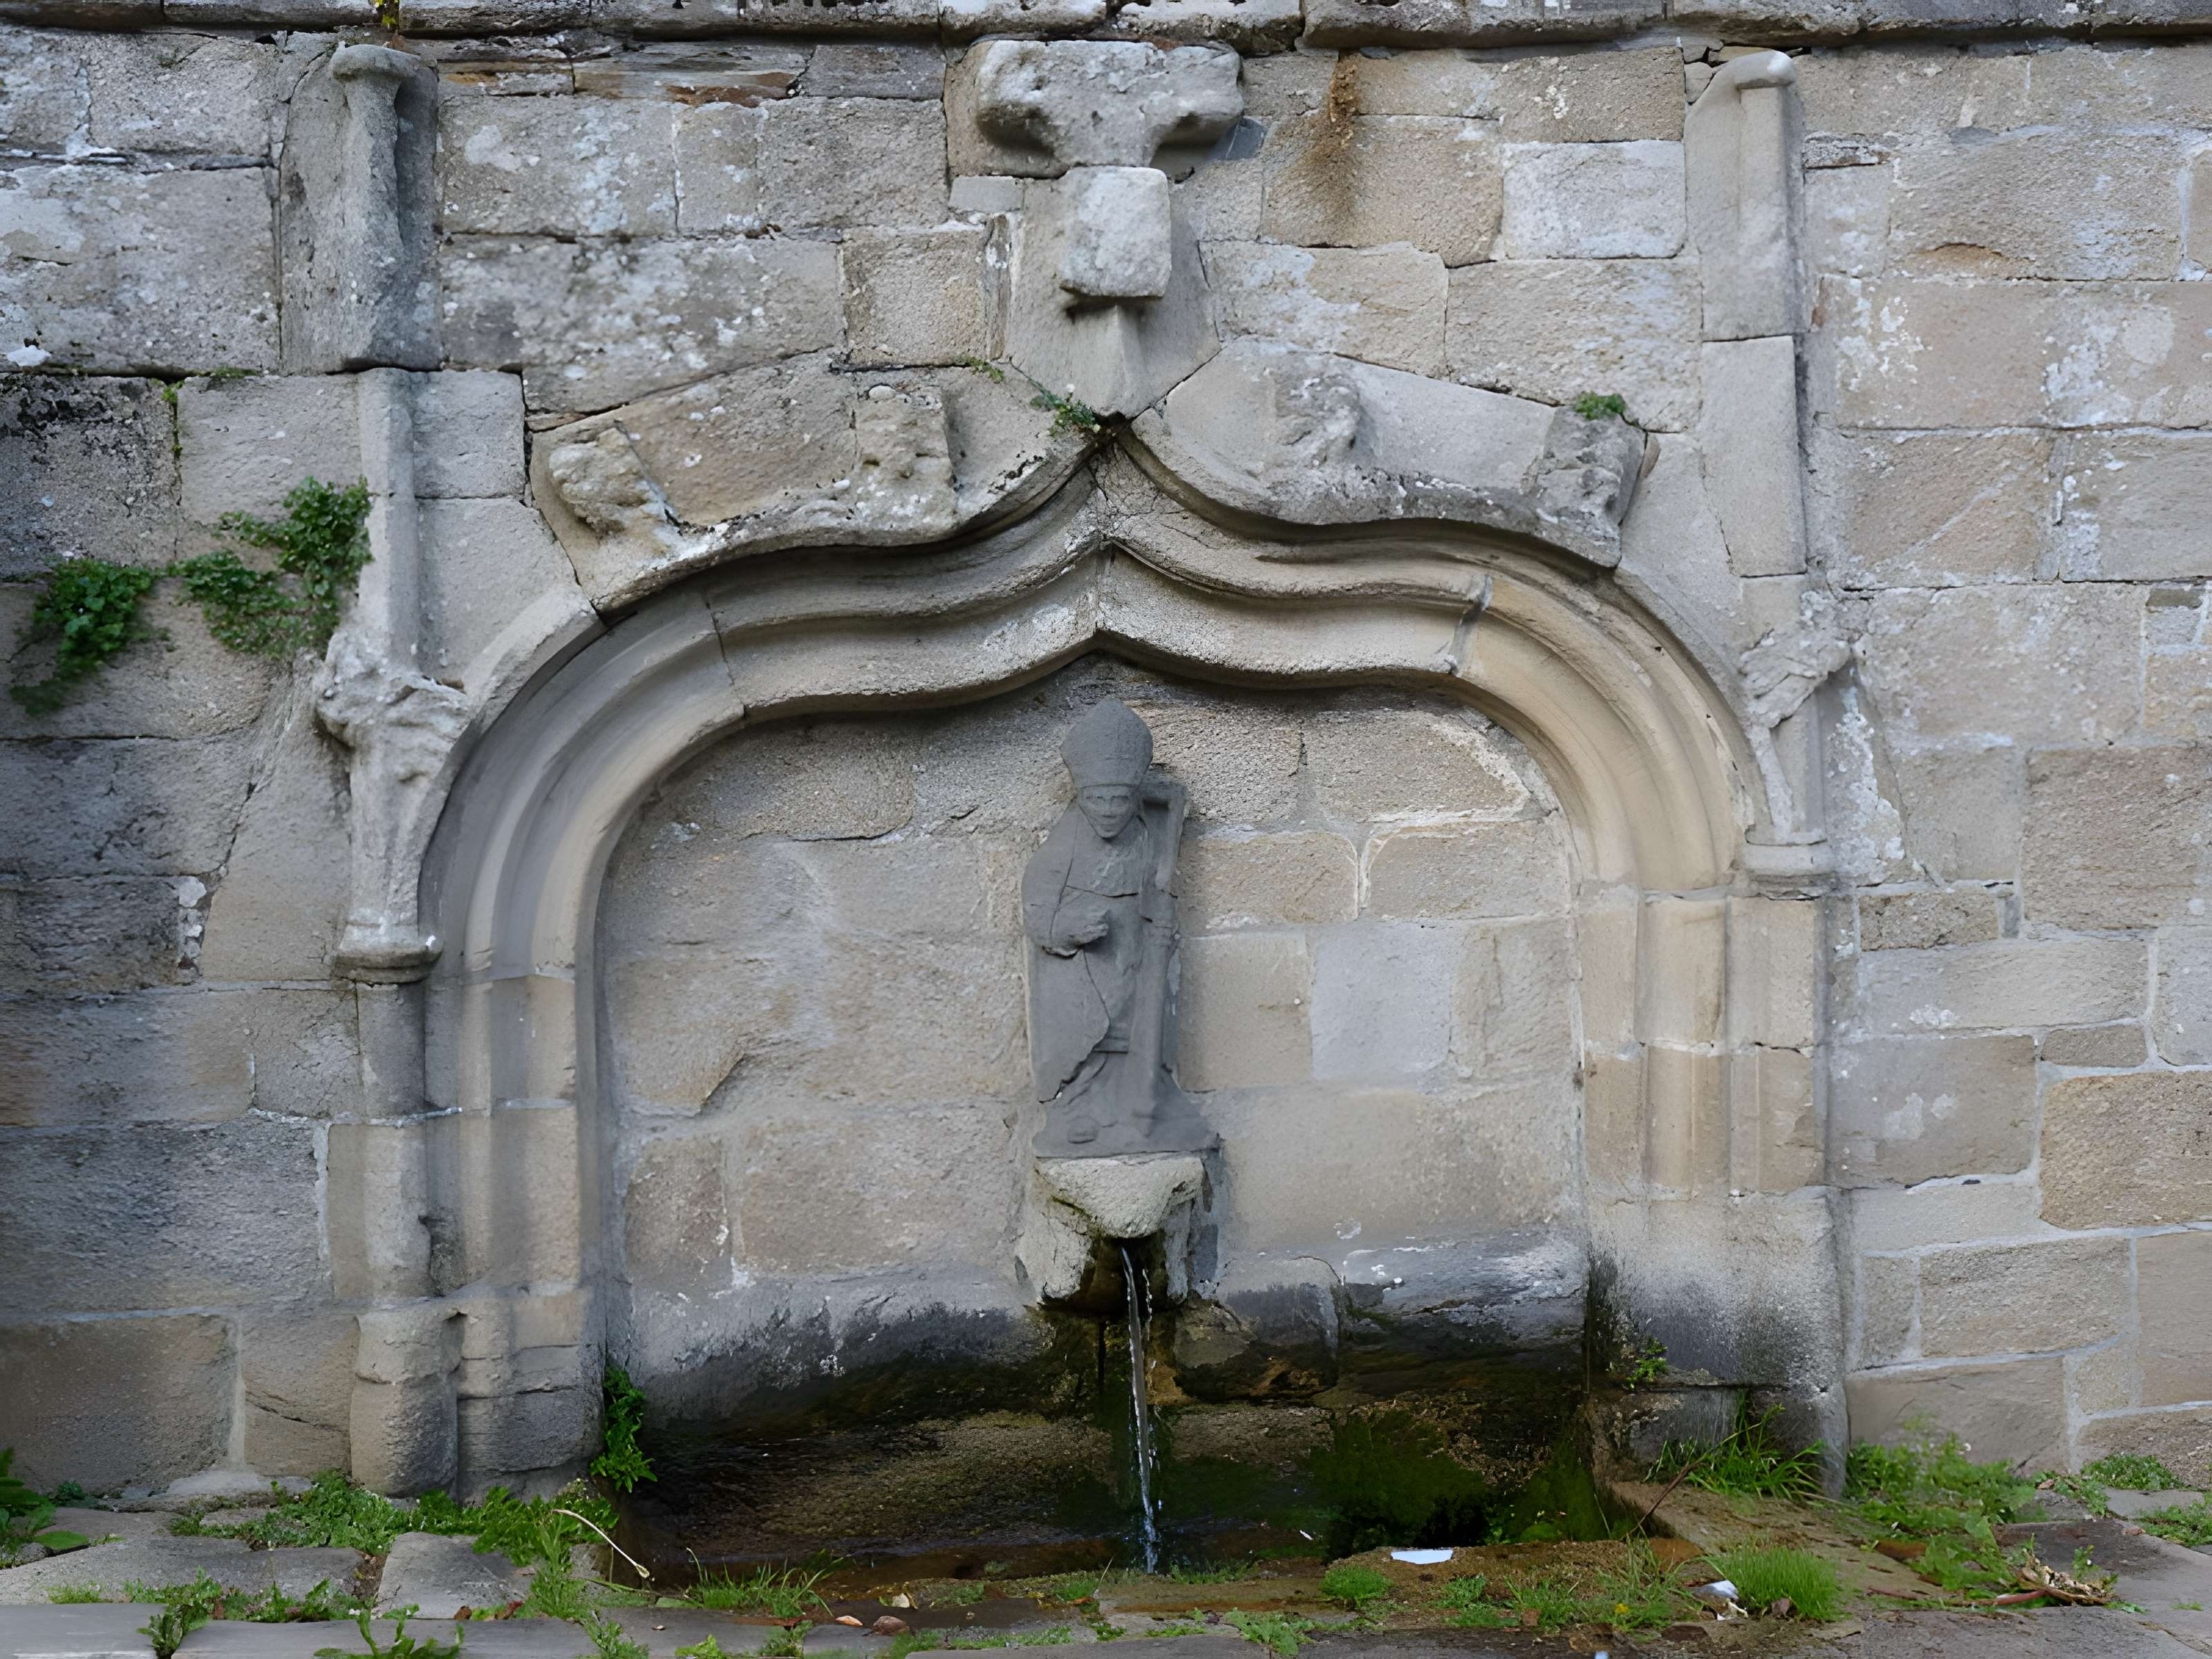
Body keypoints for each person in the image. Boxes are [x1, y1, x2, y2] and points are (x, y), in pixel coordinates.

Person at [1022, 698, 1215, 1157]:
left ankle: (1143, 1103)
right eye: (1097, 799)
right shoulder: (1063, 845)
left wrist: (1160, 915)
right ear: (1081, 797)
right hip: (1085, 963)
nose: (1108, 810)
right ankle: (1080, 1110)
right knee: (1086, 1032)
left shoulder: (1148, 832)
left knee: (1141, 1027)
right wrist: (1066, 928)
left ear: (1133, 798)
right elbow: (1037, 907)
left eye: (1119, 799)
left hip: (1136, 950)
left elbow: (1162, 871)